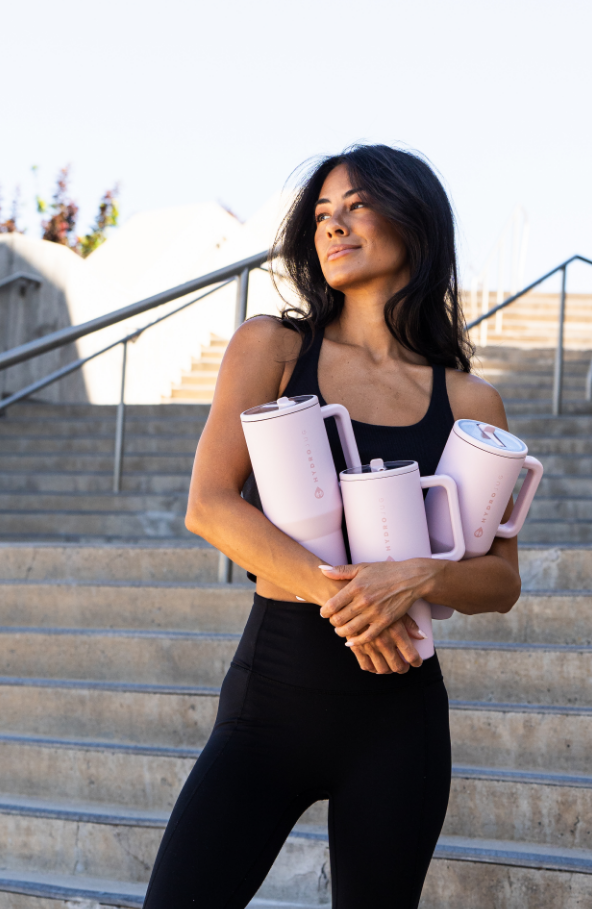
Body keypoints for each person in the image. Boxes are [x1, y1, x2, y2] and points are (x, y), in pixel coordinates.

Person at [143, 144, 521, 908]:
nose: (333, 226)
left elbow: (502, 579)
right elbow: (210, 504)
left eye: (355, 206)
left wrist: (420, 576)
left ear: (412, 219)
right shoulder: (273, 348)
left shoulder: (472, 403)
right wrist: (349, 599)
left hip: (400, 721)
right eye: (321, 214)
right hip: (274, 699)